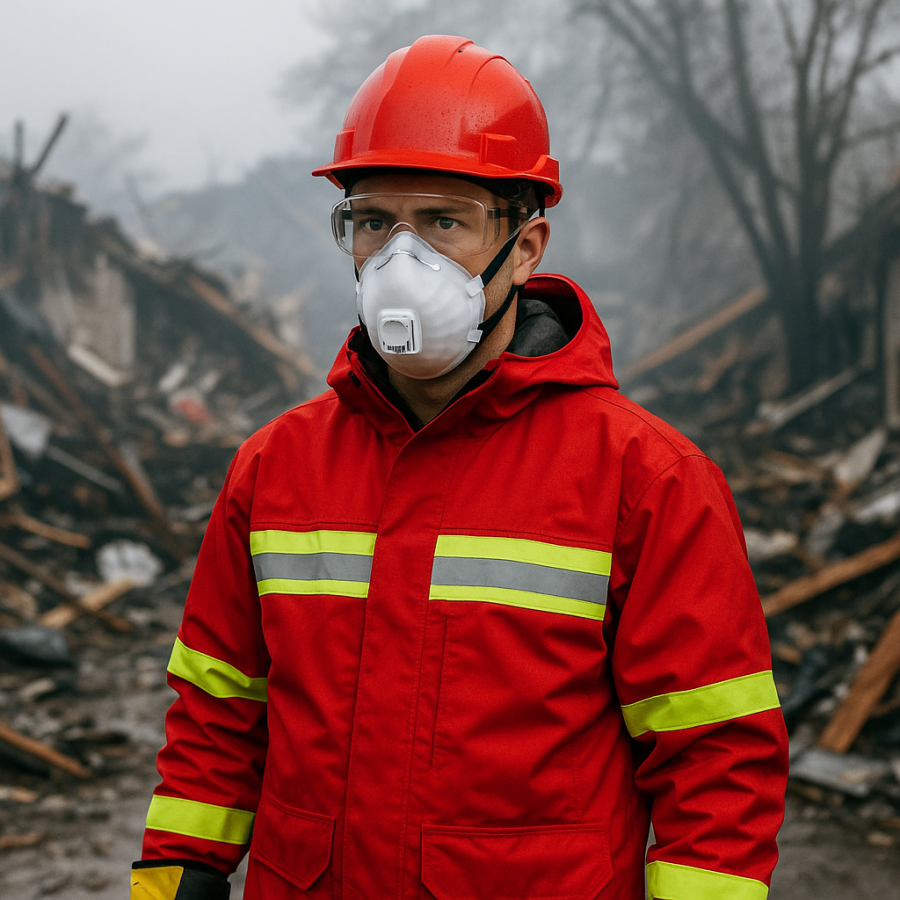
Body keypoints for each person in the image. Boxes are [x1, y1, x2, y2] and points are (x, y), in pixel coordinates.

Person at [130, 34, 789, 900]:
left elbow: (718, 758)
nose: (402, 262)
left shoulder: (646, 480)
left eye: (442, 221)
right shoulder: (275, 468)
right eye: (373, 222)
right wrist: (178, 873)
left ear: (526, 245)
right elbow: (218, 714)